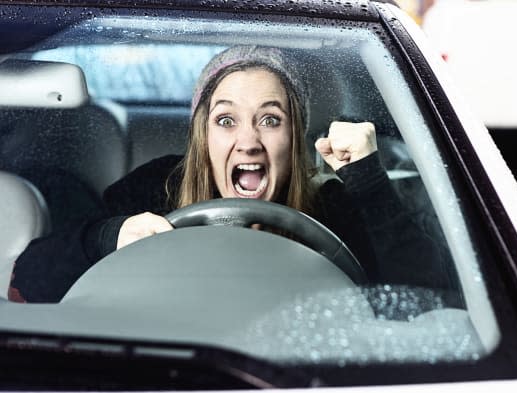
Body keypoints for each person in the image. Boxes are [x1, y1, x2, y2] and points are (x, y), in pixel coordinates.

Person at [8, 46, 457, 303]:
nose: (248, 142)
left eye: (270, 119)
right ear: (203, 136)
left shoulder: (334, 207)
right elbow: (28, 281)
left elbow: (429, 301)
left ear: (294, 136)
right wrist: (108, 239)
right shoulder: (152, 188)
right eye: (226, 121)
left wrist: (371, 185)